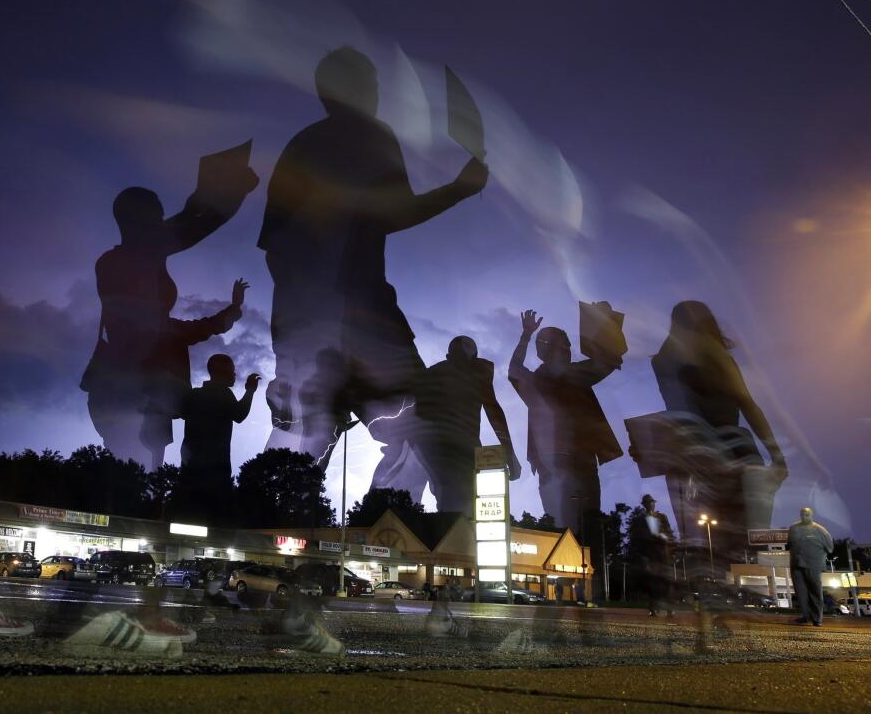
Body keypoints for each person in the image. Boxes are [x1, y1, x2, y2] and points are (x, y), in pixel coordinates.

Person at [257, 46, 490, 500]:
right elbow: (395, 212)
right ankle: (392, 526)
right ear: (350, 89)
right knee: (418, 429)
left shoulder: (300, 147)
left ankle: (267, 526)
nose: (377, 91)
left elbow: (274, 249)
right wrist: (459, 189)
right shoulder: (371, 137)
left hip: (305, 320)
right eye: (371, 82)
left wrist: (297, 316)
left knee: (300, 436)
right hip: (364, 317)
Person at [80, 164, 259, 470]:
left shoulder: (128, 259)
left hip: (138, 397)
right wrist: (228, 194)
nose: (163, 221)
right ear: (139, 221)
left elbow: (187, 226)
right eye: (157, 216)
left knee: (141, 481)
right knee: (137, 481)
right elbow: (187, 229)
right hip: (135, 397)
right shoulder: (123, 262)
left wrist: (210, 199)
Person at [651, 300, 788, 568]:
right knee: (745, 537)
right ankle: (745, 585)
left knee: (701, 539)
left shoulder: (661, 361)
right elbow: (748, 404)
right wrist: (777, 455)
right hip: (731, 450)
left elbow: (674, 411)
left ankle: (710, 589)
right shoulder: (713, 352)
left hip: (688, 455)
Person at [509, 308, 622, 605]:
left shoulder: (576, 375)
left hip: (582, 461)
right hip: (555, 464)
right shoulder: (539, 381)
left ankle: (585, 590)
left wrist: (604, 328)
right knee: (565, 527)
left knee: (586, 524)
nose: (569, 349)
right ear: (546, 350)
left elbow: (608, 361)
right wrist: (525, 335)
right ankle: (565, 589)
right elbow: (513, 370)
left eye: (569, 344)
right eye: (563, 344)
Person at [413, 336, 520, 512]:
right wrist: (509, 452)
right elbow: (494, 411)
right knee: (461, 507)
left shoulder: (435, 374)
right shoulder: (476, 371)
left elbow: (493, 411)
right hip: (449, 452)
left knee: (458, 506)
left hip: (444, 452)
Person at [173, 353, 260, 522]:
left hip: (191, 466)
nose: (235, 375)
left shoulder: (195, 395)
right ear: (221, 371)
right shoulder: (223, 395)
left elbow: (178, 412)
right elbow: (240, 415)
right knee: (218, 518)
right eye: (232, 371)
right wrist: (250, 391)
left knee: (187, 512)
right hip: (216, 468)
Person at [787, 507, 832, 627]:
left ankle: (817, 619)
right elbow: (789, 544)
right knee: (801, 593)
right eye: (802, 514)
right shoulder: (793, 528)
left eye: (807, 515)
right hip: (796, 564)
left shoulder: (820, 530)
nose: (804, 517)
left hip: (813, 565)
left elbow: (830, 547)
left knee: (815, 592)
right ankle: (806, 616)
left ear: (811, 515)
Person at [631, 494, 675, 616]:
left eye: (652, 502)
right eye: (648, 502)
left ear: (654, 504)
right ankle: (653, 607)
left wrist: (666, 539)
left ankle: (669, 608)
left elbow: (669, 532)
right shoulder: (639, 519)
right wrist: (642, 556)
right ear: (644, 505)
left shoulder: (662, 517)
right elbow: (637, 538)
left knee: (666, 581)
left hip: (663, 552)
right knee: (652, 582)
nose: (650, 504)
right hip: (649, 554)